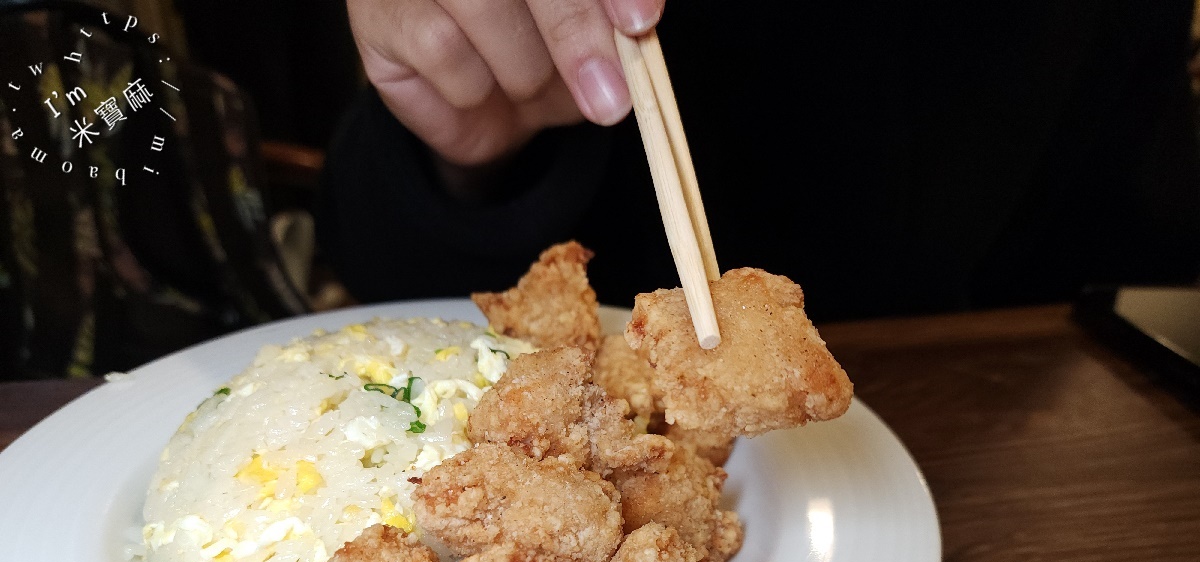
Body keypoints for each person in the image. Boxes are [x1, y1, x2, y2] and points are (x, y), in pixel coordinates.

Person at [319, 0, 1200, 322]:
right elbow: (371, 260)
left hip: (996, 485)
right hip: (551, 360)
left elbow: (1138, 253)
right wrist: (463, 154)